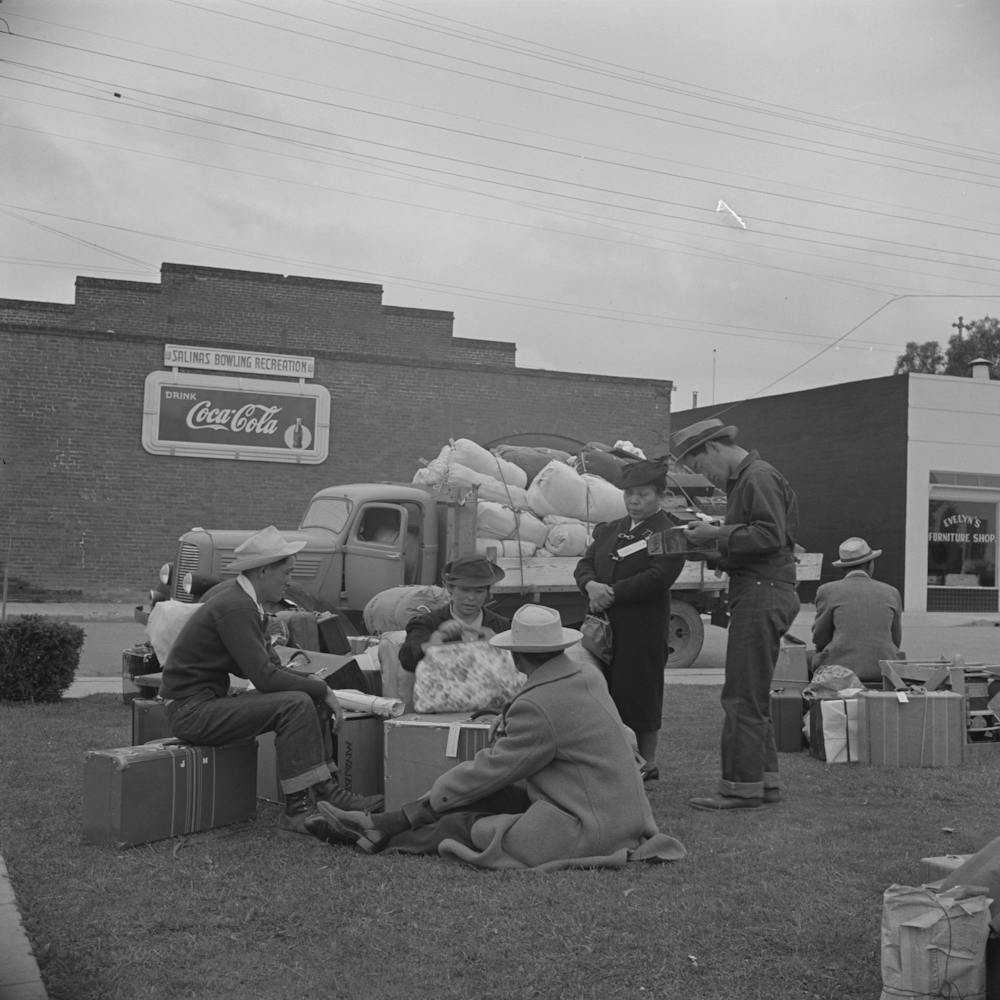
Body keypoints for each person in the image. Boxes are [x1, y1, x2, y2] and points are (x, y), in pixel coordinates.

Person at [311, 604, 687, 870]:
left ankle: (379, 832)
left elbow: (490, 769)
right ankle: (380, 825)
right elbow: (548, 724)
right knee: (493, 799)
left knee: (461, 822)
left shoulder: (538, 706)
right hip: (619, 816)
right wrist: (508, 715)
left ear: (517, 655)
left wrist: (431, 798)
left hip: (588, 827)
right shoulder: (584, 677)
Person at [159, 525, 384, 839]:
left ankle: (326, 792)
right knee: (295, 703)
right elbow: (264, 677)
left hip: (202, 704)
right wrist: (321, 688)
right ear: (263, 571)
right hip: (191, 712)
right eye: (286, 573)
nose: (290, 581)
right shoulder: (236, 606)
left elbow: (270, 667)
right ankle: (298, 810)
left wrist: (318, 689)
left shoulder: (244, 603)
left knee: (302, 696)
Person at [672, 418, 800, 811]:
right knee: (752, 694)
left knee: (741, 696)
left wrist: (714, 535)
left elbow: (768, 536)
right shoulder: (750, 478)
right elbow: (760, 543)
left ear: (712, 448)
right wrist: (710, 551)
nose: (705, 478)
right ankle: (765, 785)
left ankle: (740, 790)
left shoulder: (757, 477)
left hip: (762, 592)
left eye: (699, 467)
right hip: (762, 588)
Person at [573, 459, 685, 781]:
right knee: (603, 694)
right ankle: (612, 759)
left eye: (643, 494)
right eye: (629, 494)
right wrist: (590, 585)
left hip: (641, 629)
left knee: (640, 696)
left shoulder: (670, 533)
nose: (634, 501)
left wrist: (611, 592)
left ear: (659, 496)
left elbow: (658, 576)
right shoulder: (612, 529)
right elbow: (585, 563)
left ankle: (646, 764)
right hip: (604, 628)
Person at [811, 536, 902, 683]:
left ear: (843, 568)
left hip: (841, 671)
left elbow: (820, 638)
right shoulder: (892, 592)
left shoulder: (827, 591)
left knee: (806, 658)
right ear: (870, 564)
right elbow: (896, 640)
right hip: (885, 669)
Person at [398, 554, 510, 672]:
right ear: (449, 588)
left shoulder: (502, 627)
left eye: (479, 591)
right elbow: (407, 660)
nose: (471, 597)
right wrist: (432, 643)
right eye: (464, 590)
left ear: (487, 592)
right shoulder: (427, 623)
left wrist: (499, 644)